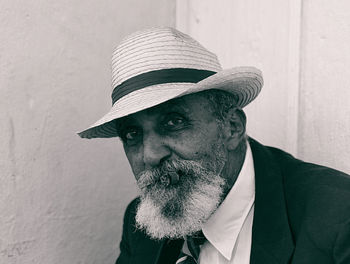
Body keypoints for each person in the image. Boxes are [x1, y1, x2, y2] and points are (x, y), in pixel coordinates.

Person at [78, 27, 350, 264]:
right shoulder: (142, 224)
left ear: (232, 127)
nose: (150, 155)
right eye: (131, 134)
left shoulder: (337, 218)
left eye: (173, 122)